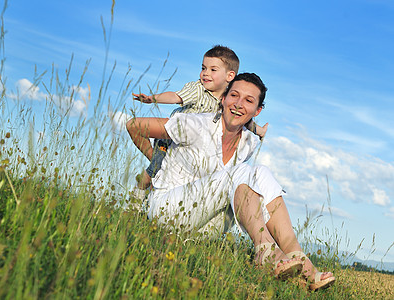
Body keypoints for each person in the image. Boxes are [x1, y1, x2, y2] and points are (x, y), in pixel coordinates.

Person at [126, 73, 335, 290]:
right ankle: (266, 252)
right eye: (234, 95)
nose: (238, 104)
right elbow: (134, 125)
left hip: (206, 227)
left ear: (257, 111)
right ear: (223, 99)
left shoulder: (248, 142)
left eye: (248, 100)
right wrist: (156, 160)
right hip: (168, 213)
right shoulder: (195, 124)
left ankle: (305, 267)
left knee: (261, 172)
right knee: (242, 171)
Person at [131, 45, 268, 200]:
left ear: (230, 76)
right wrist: (153, 99)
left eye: (213, 70)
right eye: (203, 68)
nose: (205, 74)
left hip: (193, 144)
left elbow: (242, 118)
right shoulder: (197, 89)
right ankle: (138, 195)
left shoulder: (229, 97)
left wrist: (258, 130)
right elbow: (175, 96)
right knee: (155, 168)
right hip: (171, 138)